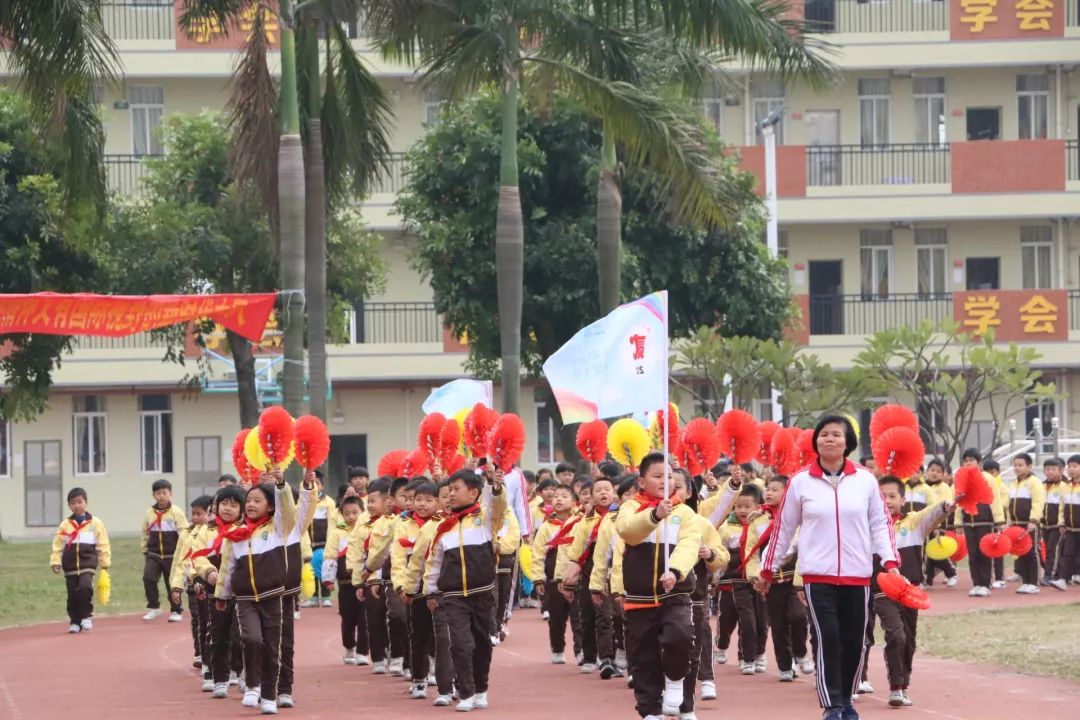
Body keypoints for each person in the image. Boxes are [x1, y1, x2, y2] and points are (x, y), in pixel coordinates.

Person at [758, 415, 899, 720]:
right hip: (817, 576)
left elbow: (880, 523)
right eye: (824, 434)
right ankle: (833, 704)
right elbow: (783, 528)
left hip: (857, 575)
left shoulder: (865, 480)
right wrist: (768, 568)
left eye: (836, 434)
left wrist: (890, 561)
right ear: (816, 442)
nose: (829, 439)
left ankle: (847, 698)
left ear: (847, 443)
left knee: (854, 641)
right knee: (828, 638)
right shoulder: (799, 482)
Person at [616, 452, 703, 720]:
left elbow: (690, 545)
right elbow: (627, 531)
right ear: (642, 482)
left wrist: (675, 571)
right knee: (643, 657)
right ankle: (650, 710)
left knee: (680, 637)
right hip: (640, 597)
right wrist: (654, 515)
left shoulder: (684, 513)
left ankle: (675, 680)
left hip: (674, 592)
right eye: (657, 476)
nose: (665, 481)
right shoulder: (631, 507)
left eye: (668, 476)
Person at [215, 471, 308, 715]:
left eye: (258, 500)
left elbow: (288, 510)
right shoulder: (235, 535)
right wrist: (222, 596)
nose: (251, 504)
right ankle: (253, 686)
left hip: (273, 597)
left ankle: (270, 694)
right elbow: (227, 568)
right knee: (252, 640)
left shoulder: (279, 528)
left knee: (273, 646)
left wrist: (280, 485)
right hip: (245, 599)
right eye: (249, 501)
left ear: (270, 506)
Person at [423, 468, 507, 712]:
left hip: (482, 593)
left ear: (473, 493)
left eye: (456, 490)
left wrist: (496, 486)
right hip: (453, 596)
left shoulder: (486, 519)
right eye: (448, 491)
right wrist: (431, 591)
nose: (451, 495)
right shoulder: (444, 528)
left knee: (482, 644)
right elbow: (434, 563)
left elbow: (498, 507)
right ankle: (466, 692)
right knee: (460, 644)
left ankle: (481, 689)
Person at [873, 475, 954, 708]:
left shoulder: (914, 522)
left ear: (902, 499)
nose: (887, 501)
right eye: (882, 496)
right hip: (881, 590)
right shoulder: (869, 526)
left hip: (910, 592)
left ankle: (903, 684)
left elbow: (933, 513)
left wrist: (945, 506)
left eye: (892, 496)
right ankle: (895, 687)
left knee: (908, 640)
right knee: (895, 634)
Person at [672, 468, 727, 720]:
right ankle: (661, 696)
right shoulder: (647, 519)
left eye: (677, 486)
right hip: (659, 597)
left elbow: (721, 555)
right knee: (665, 646)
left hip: (694, 595)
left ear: (690, 491)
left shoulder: (701, 523)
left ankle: (692, 697)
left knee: (696, 643)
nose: (671, 490)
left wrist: (711, 555)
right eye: (664, 483)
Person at [191, 484, 246, 698]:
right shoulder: (208, 530)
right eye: (224, 503)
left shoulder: (245, 530)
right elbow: (197, 555)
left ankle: (241, 673)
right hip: (215, 590)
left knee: (240, 634)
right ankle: (219, 678)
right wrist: (207, 571)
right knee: (217, 633)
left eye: (234, 505)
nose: (228, 508)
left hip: (241, 591)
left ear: (242, 509)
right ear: (216, 506)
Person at [758, 475, 813, 681]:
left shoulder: (799, 519)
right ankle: (784, 665)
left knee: (798, 616)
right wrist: (758, 574)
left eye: (775, 489)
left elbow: (804, 548)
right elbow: (752, 550)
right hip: (771, 580)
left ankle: (800, 652)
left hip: (794, 578)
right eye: (767, 489)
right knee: (778, 624)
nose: (769, 493)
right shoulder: (759, 520)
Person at [562, 474, 617, 676]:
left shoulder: (620, 516)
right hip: (588, 571)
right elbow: (576, 550)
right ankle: (589, 656)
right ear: (592, 496)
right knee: (587, 616)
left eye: (607, 489)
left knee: (607, 616)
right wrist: (568, 580)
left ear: (614, 493)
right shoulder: (586, 521)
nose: (603, 493)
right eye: (599, 490)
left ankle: (607, 658)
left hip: (613, 572)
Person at [715, 484, 770, 676]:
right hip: (733, 582)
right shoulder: (726, 528)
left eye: (748, 506)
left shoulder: (763, 525)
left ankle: (757, 654)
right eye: (739, 506)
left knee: (761, 622)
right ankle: (724, 647)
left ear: (758, 506)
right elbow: (719, 554)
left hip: (758, 581)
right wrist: (715, 577)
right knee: (730, 619)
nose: (743, 511)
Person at [392, 479, 439, 698]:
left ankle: (439, 672)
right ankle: (418, 679)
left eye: (428, 500)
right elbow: (398, 558)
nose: (422, 504)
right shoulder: (403, 524)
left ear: (438, 502)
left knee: (439, 634)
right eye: (417, 500)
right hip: (415, 587)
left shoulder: (444, 524)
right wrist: (402, 586)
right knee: (418, 633)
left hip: (438, 587)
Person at [349, 477, 395, 674]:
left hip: (394, 577)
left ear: (388, 500)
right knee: (374, 617)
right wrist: (358, 581)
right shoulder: (363, 520)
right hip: (370, 576)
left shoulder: (397, 521)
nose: (369, 505)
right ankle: (378, 657)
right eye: (368, 501)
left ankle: (397, 653)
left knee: (395, 618)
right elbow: (356, 549)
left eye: (374, 500)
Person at [278, 480, 317, 708]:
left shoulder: (296, 527)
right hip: (257, 596)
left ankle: (283, 688)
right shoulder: (257, 529)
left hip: (285, 590)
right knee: (255, 640)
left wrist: (308, 484)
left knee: (284, 642)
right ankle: (254, 682)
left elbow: (306, 507)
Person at [50, 487, 111, 634]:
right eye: (73, 503)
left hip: (87, 564)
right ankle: (75, 622)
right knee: (72, 594)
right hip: (70, 566)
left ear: (86, 502)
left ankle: (86, 616)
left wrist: (104, 562)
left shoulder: (95, 523)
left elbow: (103, 543)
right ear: (69, 506)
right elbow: (57, 544)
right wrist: (55, 561)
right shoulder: (65, 525)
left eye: (79, 502)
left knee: (84, 588)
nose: (77, 505)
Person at [532, 484, 581, 665]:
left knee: (579, 617)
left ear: (574, 502)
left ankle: (581, 651)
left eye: (564, 496)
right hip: (554, 579)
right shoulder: (546, 527)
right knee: (557, 618)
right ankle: (558, 649)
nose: (559, 499)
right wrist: (538, 578)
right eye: (556, 496)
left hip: (576, 578)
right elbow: (536, 553)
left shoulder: (580, 523)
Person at [169, 494, 213, 681]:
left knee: (213, 620)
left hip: (211, 582)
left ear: (209, 513)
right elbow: (179, 562)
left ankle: (217, 656)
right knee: (198, 618)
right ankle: (200, 652)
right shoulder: (185, 534)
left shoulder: (212, 532)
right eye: (192, 514)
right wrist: (176, 586)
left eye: (199, 514)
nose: (194, 518)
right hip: (192, 583)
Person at [322, 495, 368, 665]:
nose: (351, 517)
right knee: (348, 617)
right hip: (346, 584)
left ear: (362, 512)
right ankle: (350, 647)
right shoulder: (337, 533)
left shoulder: (368, 530)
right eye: (347, 513)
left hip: (364, 583)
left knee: (365, 618)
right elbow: (330, 556)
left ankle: (363, 652)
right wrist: (328, 579)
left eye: (355, 512)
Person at [141, 478, 189, 622]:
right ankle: (154, 607)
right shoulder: (149, 512)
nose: (161, 496)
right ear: (153, 495)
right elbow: (145, 532)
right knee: (148, 578)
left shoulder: (176, 512)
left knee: (172, 583)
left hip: (172, 555)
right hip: (154, 554)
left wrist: (184, 551)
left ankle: (176, 610)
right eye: (158, 493)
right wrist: (144, 549)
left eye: (164, 493)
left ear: (170, 494)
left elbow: (184, 532)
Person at [1008, 453, 1046, 594]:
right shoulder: (1013, 483)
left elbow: (1038, 502)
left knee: (1032, 552)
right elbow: (1008, 505)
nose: (1017, 468)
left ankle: (1034, 582)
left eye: (1020, 465)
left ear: (1029, 466)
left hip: (1029, 524)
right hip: (1016, 524)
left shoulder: (1034, 482)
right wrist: (1008, 522)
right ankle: (1025, 582)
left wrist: (1033, 520)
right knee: (1021, 552)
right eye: (1015, 465)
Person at [304, 470, 338, 608]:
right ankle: (312, 597)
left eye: (317, 483)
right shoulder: (305, 501)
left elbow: (332, 523)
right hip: (308, 542)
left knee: (324, 569)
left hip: (324, 542)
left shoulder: (329, 502)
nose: (314, 486)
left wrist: (330, 542)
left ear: (322, 486)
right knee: (310, 570)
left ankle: (325, 596)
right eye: (311, 483)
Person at [922, 460, 958, 588]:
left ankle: (951, 573)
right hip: (925, 522)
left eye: (938, 471)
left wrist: (938, 524)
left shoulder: (944, 488)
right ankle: (928, 579)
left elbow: (946, 506)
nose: (934, 473)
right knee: (928, 552)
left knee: (936, 549)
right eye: (932, 470)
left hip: (939, 522)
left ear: (943, 475)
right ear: (926, 472)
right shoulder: (924, 486)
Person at [1041, 458, 1066, 590]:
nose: (1049, 472)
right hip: (1045, 524)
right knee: (1047, 548)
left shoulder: (1063, 486)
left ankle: (1049, 575)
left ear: (1060, 470)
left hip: (1057, 525)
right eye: (1047, 469)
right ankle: (1054, 573)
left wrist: (1062, 522)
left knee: (1053, 549)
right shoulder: (1043, 485)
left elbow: (1065, 506)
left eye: (1053, 469)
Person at [1056, 455, 1080, 587]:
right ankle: (1062, 579)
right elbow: (1062, 506)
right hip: (1070, 528)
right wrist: (1062, 522)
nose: (1071, 469)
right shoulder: (1065, 486)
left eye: (1075, 466)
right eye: (1069, 466)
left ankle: (1077, 574)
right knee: (1067, 554)